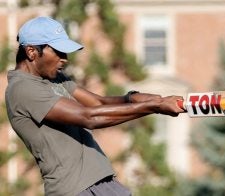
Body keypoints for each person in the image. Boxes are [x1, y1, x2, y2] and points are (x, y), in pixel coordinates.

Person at [5, 16, 184, 196]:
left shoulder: (54, 79)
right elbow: (89, 117)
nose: (65, 59)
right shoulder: (23, 89)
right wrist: (156, 105)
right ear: (31, 52)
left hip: (103, 183)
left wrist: (132, 99)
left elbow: (98, 103)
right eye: (58, 51)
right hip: (76, 189)